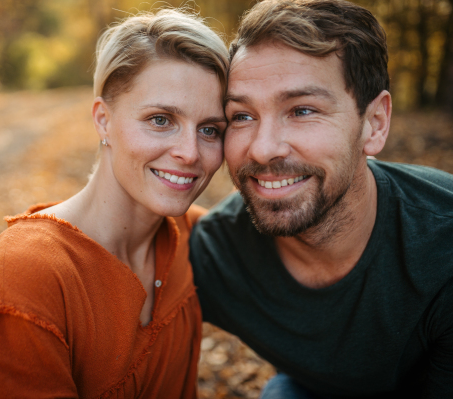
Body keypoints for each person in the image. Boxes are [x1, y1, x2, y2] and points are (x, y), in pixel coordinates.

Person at [190, 0, 453, 398]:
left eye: (302, 110)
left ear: (374, 124)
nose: (263, 150)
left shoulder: (442, 247)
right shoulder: (219, 253)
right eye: (242, 116)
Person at [0, 8, 229, 398]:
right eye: (161, 120)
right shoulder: (28, 272)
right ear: (103, 119)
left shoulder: (196, 234)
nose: (190, 153)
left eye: (210, 129)